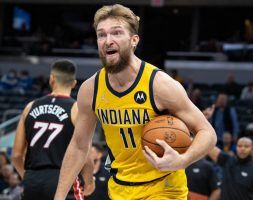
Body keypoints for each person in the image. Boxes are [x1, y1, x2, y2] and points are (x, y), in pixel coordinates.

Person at [54, 4, 216, 200]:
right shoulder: (90, 89)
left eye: (116, 33)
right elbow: (79, 146)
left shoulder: (159, 84)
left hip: (163, 187)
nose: (108, 40)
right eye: (101, 35)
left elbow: (207, 133)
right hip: (120, 189)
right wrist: (59, 196)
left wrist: (182, 160)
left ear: (134, 40)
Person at [12, 59, 94, 200]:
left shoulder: (30, 107)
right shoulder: (76, 109)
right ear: (74, 83)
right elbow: (84, 154)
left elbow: (16, 155)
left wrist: (27, 177)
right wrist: (89, 181)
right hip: (63, 179)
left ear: (52, 79)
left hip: (32, 180)